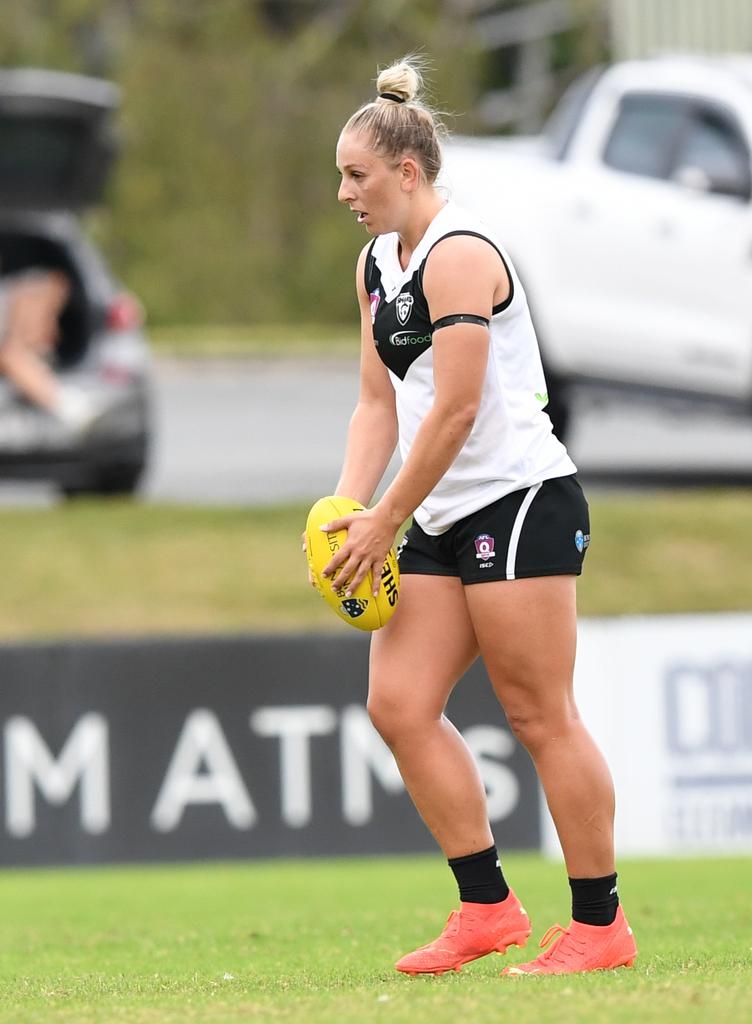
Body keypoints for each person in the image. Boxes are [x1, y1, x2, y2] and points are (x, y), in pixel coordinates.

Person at [317, 57, 637, 977]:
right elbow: (379, 404)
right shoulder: (378, 263)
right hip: (440, 508)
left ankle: (600, 925)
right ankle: (487, 909)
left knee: (539, 714)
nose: (345, 193)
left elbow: (457, 411)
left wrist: (385, 520)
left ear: (407, 173)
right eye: (342, 176)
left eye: (357, 175)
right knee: (400, 704)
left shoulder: (461, 253)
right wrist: (347, 507)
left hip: (520, 499)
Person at [0, 245, 97, 430]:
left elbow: (56, 283)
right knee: (10, 356)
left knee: (12, 354)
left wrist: (19, 328)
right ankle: (67, 406)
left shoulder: (3, 291)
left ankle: (69, 408)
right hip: (4, 359)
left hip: (23, 353)